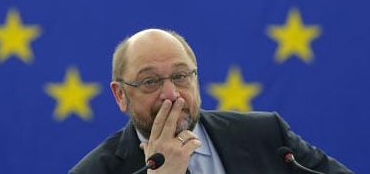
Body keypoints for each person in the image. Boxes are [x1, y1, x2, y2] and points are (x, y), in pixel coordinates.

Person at [69, 28, 353, 173]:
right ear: (121, 95)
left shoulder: (267, 135)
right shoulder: (96, 171)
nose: (171, 94)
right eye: (150, 81)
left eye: (180, 76)